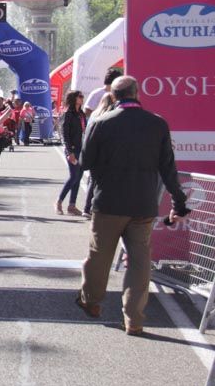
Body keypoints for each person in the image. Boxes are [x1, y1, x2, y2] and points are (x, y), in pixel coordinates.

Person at [76, 76, 190, 335]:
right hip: (143, 204)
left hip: (108, 202)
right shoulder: (157, 124)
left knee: (99, 256)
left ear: (113, 96)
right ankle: (134, 319)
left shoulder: (101, 123)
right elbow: (168, 168)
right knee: (139, 262)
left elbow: (85, 162)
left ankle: (92, 301)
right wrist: (179, 201)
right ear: (137, 94)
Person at [56, 90, 87, 216]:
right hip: (72, 149)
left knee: (78, 177)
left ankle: (72, 205)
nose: (82, 98)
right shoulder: (68, 114)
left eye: (82, 96)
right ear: (74, 98)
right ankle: (59, 202)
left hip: (82, 148)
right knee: (73, 176)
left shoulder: (81, 114)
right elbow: (64, 135)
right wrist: (69, 151)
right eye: (80, 96)